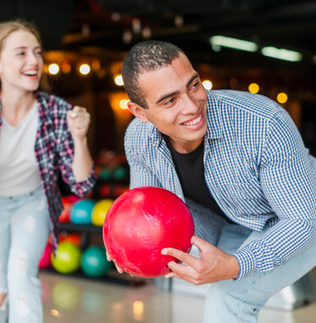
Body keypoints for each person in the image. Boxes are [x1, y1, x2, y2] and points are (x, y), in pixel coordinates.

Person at [118, 40, 316, 322]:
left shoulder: (264, 123)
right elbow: (146, 212)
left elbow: (302, 222)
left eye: (194, 85)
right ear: (140, 112)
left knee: (228, 298)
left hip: (303, 214)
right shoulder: (139, 138)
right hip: (233, 223)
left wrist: (236, 264)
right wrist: (125, 245)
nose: (191, 106)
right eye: (170, 100)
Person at [0, 20, 96, 323]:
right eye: (21, 53)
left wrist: (79, 139)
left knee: (21, 276)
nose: (34, 61)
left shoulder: (57, 112)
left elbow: (80, 185)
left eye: (37, 52)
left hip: (33, 201)